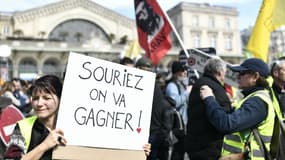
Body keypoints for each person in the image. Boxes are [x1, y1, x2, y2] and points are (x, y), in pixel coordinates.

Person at [4, 75, 151, 160]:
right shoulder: (23, 127)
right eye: (35, 98)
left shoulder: (82, 124)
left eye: (46, 98)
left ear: (61, 98)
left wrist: (134, 151)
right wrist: (44, 145)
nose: (39, 103)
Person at [200, 58, 275, 160]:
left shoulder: (257, 102)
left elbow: (226, 124)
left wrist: (209, 98)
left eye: (242, 73)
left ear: (255, 76)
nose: (238, 76)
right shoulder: (254, 97)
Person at [185, 58, 232, 160]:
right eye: (224, 73)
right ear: (219, 73)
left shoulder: (199, 83)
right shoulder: (215, 88)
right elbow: (225, 119)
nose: (224, 77)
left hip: (195, 142)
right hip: (209, 145)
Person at [136, 57, 173, 160]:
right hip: (150, 133)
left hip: (152, 133)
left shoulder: (152, 87)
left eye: (147, 70)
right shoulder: (150, 86)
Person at [165, 61, 191, 160]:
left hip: (183, 124)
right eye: (182, 72)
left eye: (185, 72)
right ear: (176, 73)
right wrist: (187, 93)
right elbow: (175, 102)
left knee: (180, 149)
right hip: (177, 124)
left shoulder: (180, 84)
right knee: (178, 150)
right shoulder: (172, 86)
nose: (185, 74)